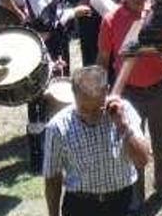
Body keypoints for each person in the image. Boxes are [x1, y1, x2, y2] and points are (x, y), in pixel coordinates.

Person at [97, 0, 162, 207]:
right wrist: (101, 91)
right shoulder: (110, 20)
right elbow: (103, 59)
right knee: (130, 143)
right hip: (129, 92)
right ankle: (135, 195)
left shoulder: (158, 16)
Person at [43, 66, 150, 216]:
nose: (91, 117)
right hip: (81, 206)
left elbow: (142, 160)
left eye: (97, 109)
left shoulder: (124, 112)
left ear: (107, 91)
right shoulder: (57, 127)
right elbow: (52, 177)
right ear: (73, 94)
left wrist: (123, 126)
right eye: (84, 109)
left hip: (123, 203)